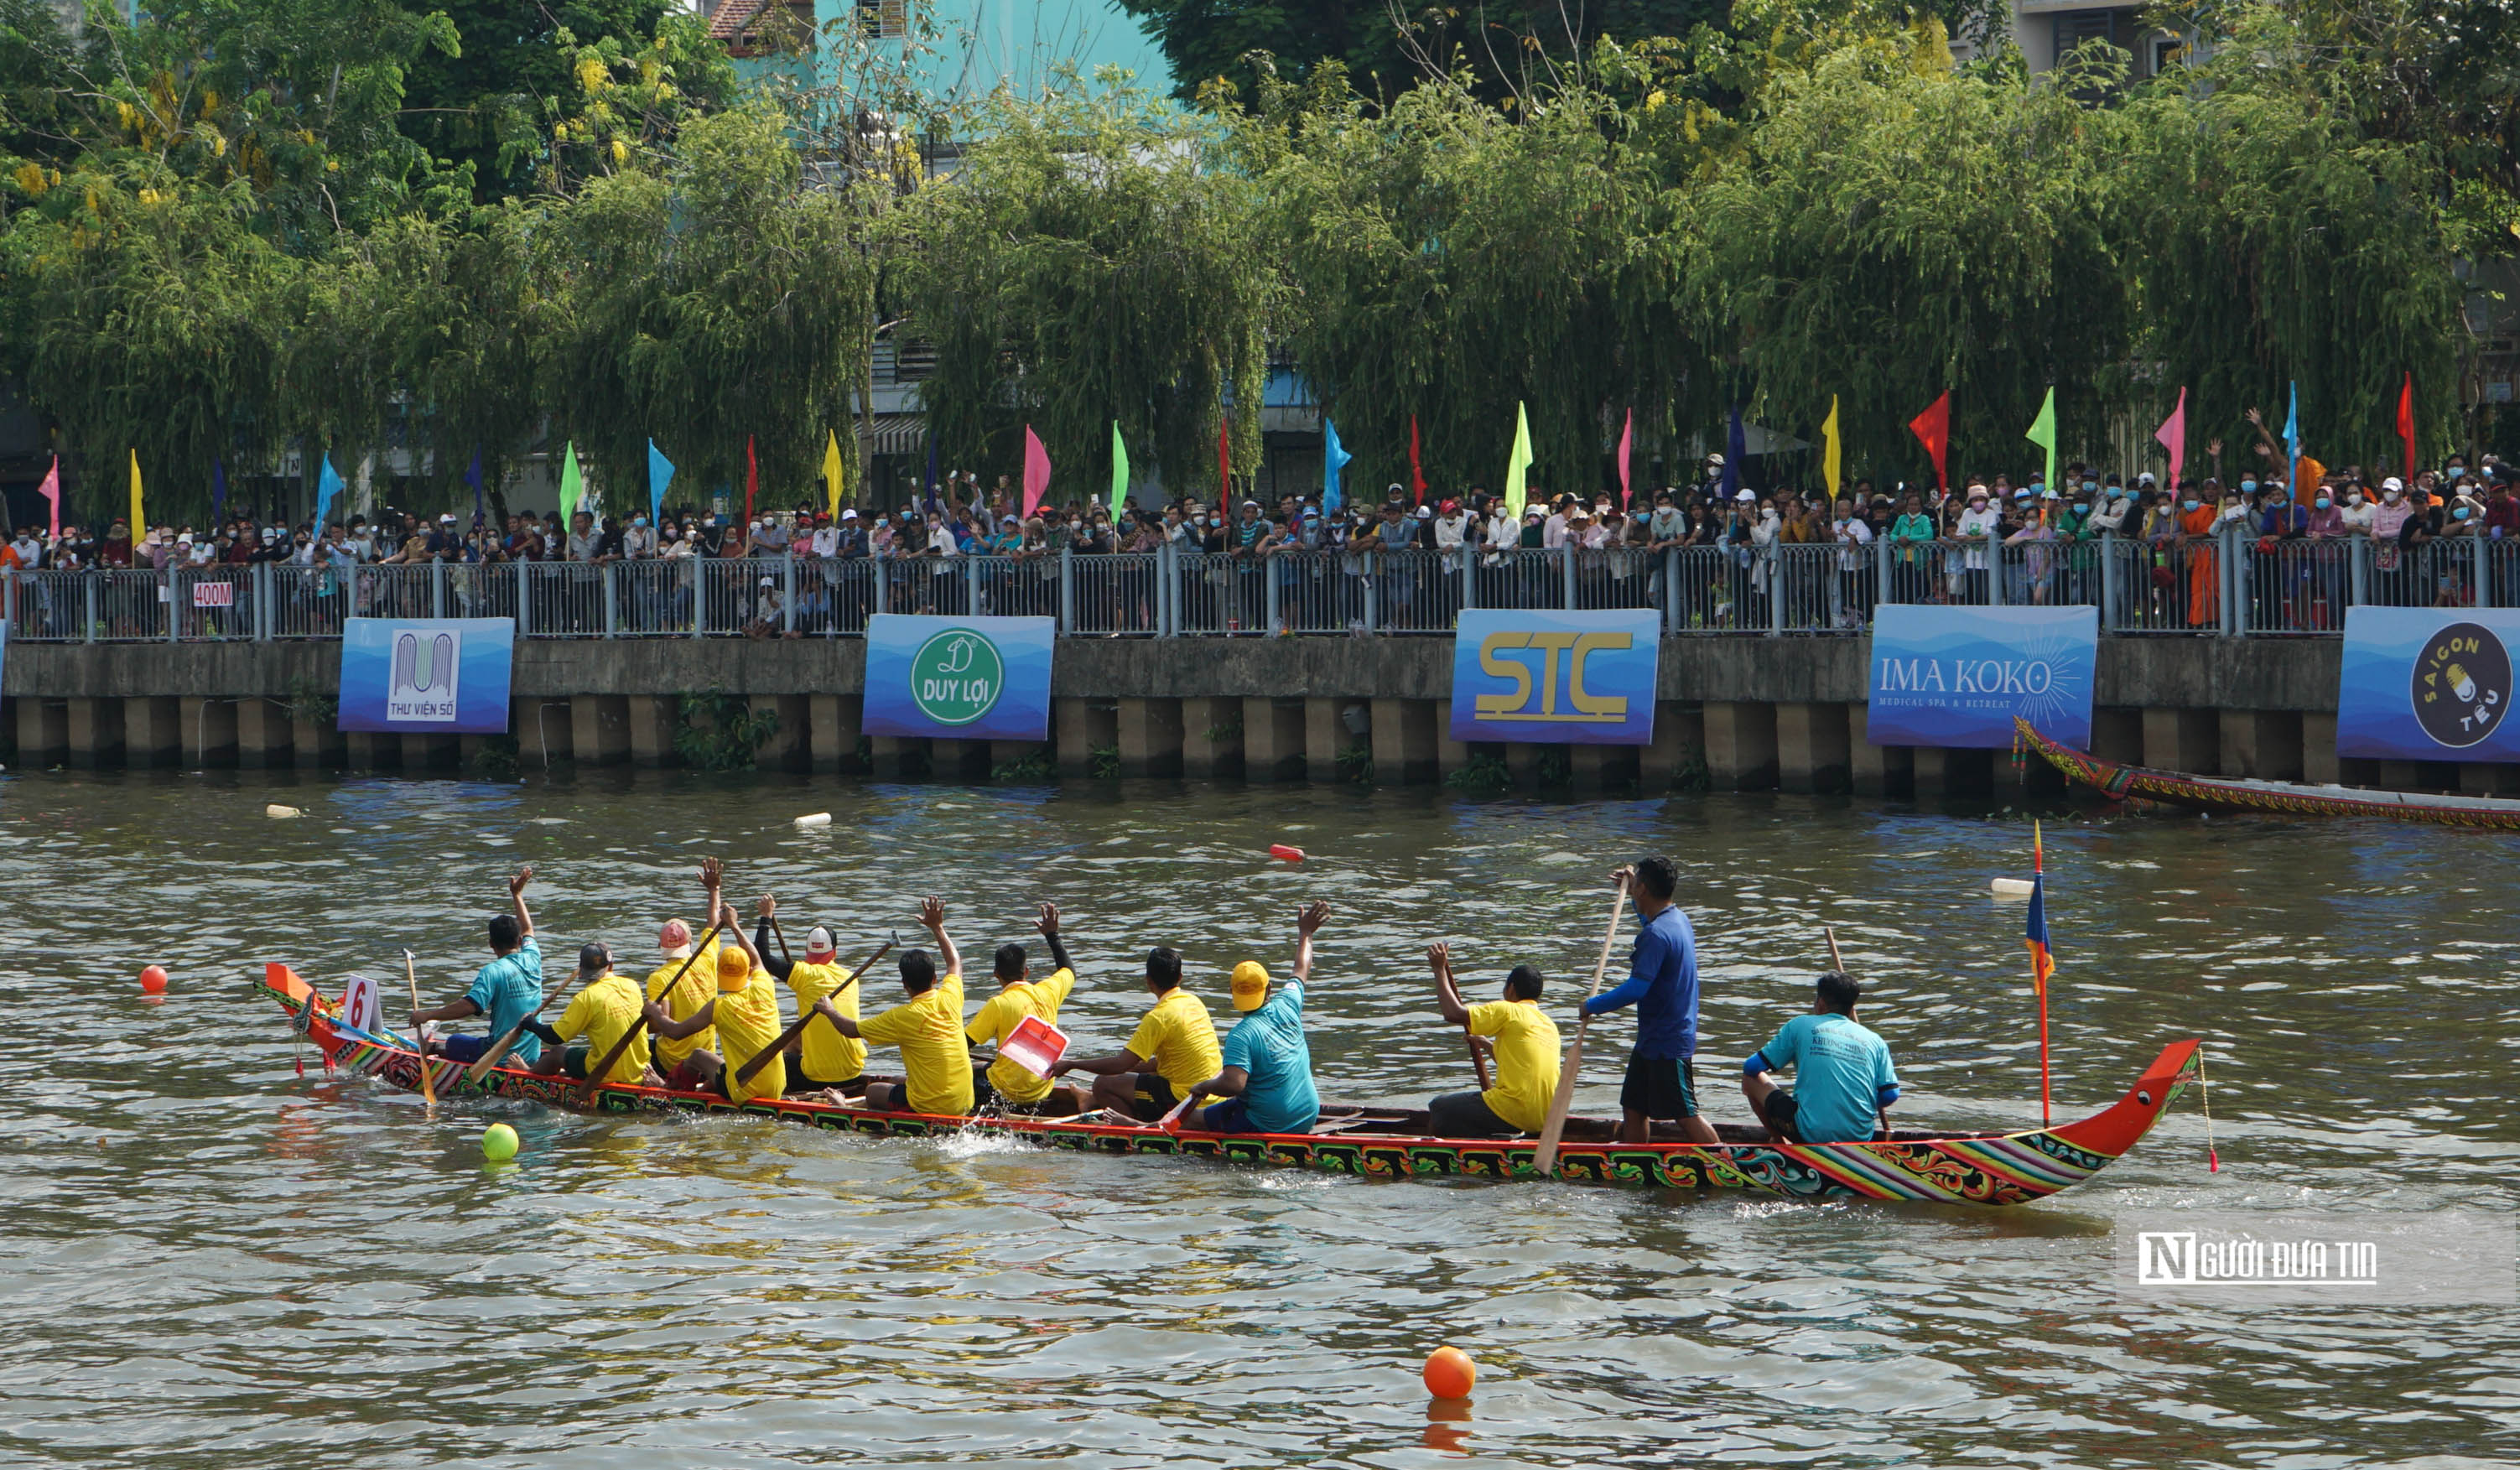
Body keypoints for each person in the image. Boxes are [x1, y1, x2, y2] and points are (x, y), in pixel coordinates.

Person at [1579, 859, 1718, 1145]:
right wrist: (1632, 896)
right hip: (1652, 1038)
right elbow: (1650, 924)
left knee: (1684, 1112)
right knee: (1633, 1106)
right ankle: (1632, 1161)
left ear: (1643, 888)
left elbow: (1636, 989)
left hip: (1668, 1040)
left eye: (1636, 884)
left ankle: (1725, 1160)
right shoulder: (1676, 919)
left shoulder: (1656, 935)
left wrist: (1591, 1005)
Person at [1180, 901, 1328, 1134]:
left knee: (1191, 1122)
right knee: (1221, 1110)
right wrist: (1306, 933)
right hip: (1308, 1114)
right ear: (1270, 989)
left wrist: (1204, 1085)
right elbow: (1301, 967)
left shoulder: (1241, 1034)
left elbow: (1234, 1084)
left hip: (1271, 1124)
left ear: (1232, 993)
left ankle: (1143, 1128)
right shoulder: (1288, 1003)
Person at [815, 896, 972, 1116]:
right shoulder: (950, 997)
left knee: (873, 1091)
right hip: (964, 1100)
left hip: (932, 1107)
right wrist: (938, 927)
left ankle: (849, 1111)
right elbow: (954, 962)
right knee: (897, 1080)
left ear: (904, 985)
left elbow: (851, 1030)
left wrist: (828, 1010)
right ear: (935, 979)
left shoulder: (901, 1016)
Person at [1049, 943, 1222, 1122]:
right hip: (1213, 1093)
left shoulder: (1158, 1017)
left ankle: (1127, 1130)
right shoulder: (1194, 1002)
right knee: (1137, 1074)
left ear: (1148, 981)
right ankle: (1091, 1100)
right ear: (1180, 977)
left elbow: (1120, 1065)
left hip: (1184, 1098)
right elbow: (1158, 1063)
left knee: (1103, 1084)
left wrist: (1072, 1064)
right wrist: (1124, 1071)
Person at [642, 900, 787, 1103]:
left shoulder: (720, 1006)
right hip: (777, 1086)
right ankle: (704, 1090)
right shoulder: (765, 985)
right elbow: (757, 958)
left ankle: (667, 1089)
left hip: (743, 1091)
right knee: (717, 1063)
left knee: (697, 1056)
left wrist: (654, 1012)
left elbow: (675, 1032)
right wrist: (734, 925)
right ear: (749, 971)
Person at [1740, 970, 1899, 1144]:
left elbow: (1751, 1067)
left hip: (1810, 1134)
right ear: (1852, 1007)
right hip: (1860, 1137)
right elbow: (1890, 1095)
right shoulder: (1875, 1040)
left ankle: (1778, 1142)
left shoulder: (1800, 1025)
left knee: (1749, 1079)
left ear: (1821, 1003)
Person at [408, 866, 546, 1066]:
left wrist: (425, 1015)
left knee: (455, 1041)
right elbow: (528, 929)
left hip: (499, 1057)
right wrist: (517, 895)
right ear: (519, 941)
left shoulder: (493, 971)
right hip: (531, 1056)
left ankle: (435, 1053)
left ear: (491, 944)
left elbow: (468, 1007)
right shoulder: (533, 957)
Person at [1423, 942, 1559, 1138]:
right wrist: (1486, 1044)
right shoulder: (1548, 1024)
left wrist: (1438, 969)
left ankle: (1445, 1154)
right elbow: (1521, 1064)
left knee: (1439, 1108)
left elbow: (1453, 1013)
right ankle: (1491, 1143)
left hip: (1516, 1110)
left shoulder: (1509, 1010)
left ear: (1510, 988)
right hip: (1544, 1117)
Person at [960, 901, 1083, 1114]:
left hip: (1006, 1092)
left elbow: (961, 1047)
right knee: (980, 1068)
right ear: (1026, 971)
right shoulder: (1049, 991)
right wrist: (1053, 936)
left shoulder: (998, 1004)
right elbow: (1069, 970)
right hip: (1042, 1088)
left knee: (963, 1075)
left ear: (996, 974)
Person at [750, 896, 866, 1097]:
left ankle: (780, 1098)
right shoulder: (850, 978)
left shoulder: (803, 974)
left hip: (817, 1078)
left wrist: (766, 917)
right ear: (835, 952)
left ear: (807, 953)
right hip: (855, 1072)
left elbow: (762, 958)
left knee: (776, 1058)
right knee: (798, 1037)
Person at [527, 942, 662, 1087]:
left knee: (556, 1053)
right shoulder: (632, 985)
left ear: (583, 971)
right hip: (641, 1069)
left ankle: (526, 1072)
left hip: (602, 1072)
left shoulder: (586, 998)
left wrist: (531, 1024)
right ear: (611, 965)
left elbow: (554, 1037)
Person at [646, 865, 726, 1088]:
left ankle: (658, 1083)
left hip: (671, 1060)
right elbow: (713, 922)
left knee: (638, 1044)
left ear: (661, 947)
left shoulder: (659, 978)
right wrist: (714, 889)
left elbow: (662, 1023)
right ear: (689, 943)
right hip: (704, 1056)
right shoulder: (706, 959)